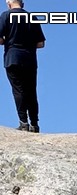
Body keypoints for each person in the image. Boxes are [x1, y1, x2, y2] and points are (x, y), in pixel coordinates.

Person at [0, 0, 44, 133]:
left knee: (18, 90)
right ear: (21, 3)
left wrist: (7, 41)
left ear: (9, 3)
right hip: (30, 59)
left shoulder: (6, 16)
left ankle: (23, 123)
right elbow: (41, 43)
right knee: (31, 91)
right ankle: (35, 124)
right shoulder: (32, 17)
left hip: (12, 57)